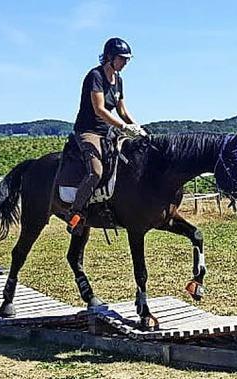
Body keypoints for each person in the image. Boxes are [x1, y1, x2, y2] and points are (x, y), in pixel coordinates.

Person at [67, 37, 146, 235]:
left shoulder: (119, 80)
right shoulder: (95, 76)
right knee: (96, 171)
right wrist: (123, 127)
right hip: (89, 131)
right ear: (110, 57)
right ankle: (75, 214)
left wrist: (137, 127)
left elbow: (122, 110)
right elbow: (100, 109)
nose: (125, 63)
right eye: (122, 58)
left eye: (128, 59)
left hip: (110, 131)